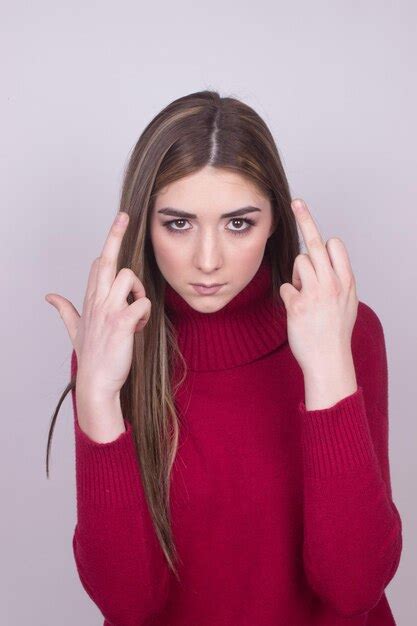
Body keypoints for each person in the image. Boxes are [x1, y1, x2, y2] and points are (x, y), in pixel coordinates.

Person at [44, 90, 402, 625]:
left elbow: (353, 587)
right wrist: (96, 393)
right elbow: (126, 603)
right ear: (145, 224)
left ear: (275, 221)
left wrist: (328, 365)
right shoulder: (114, 345)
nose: (207, 261)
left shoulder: (345, 331)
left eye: (238, 223)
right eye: (178, 223)